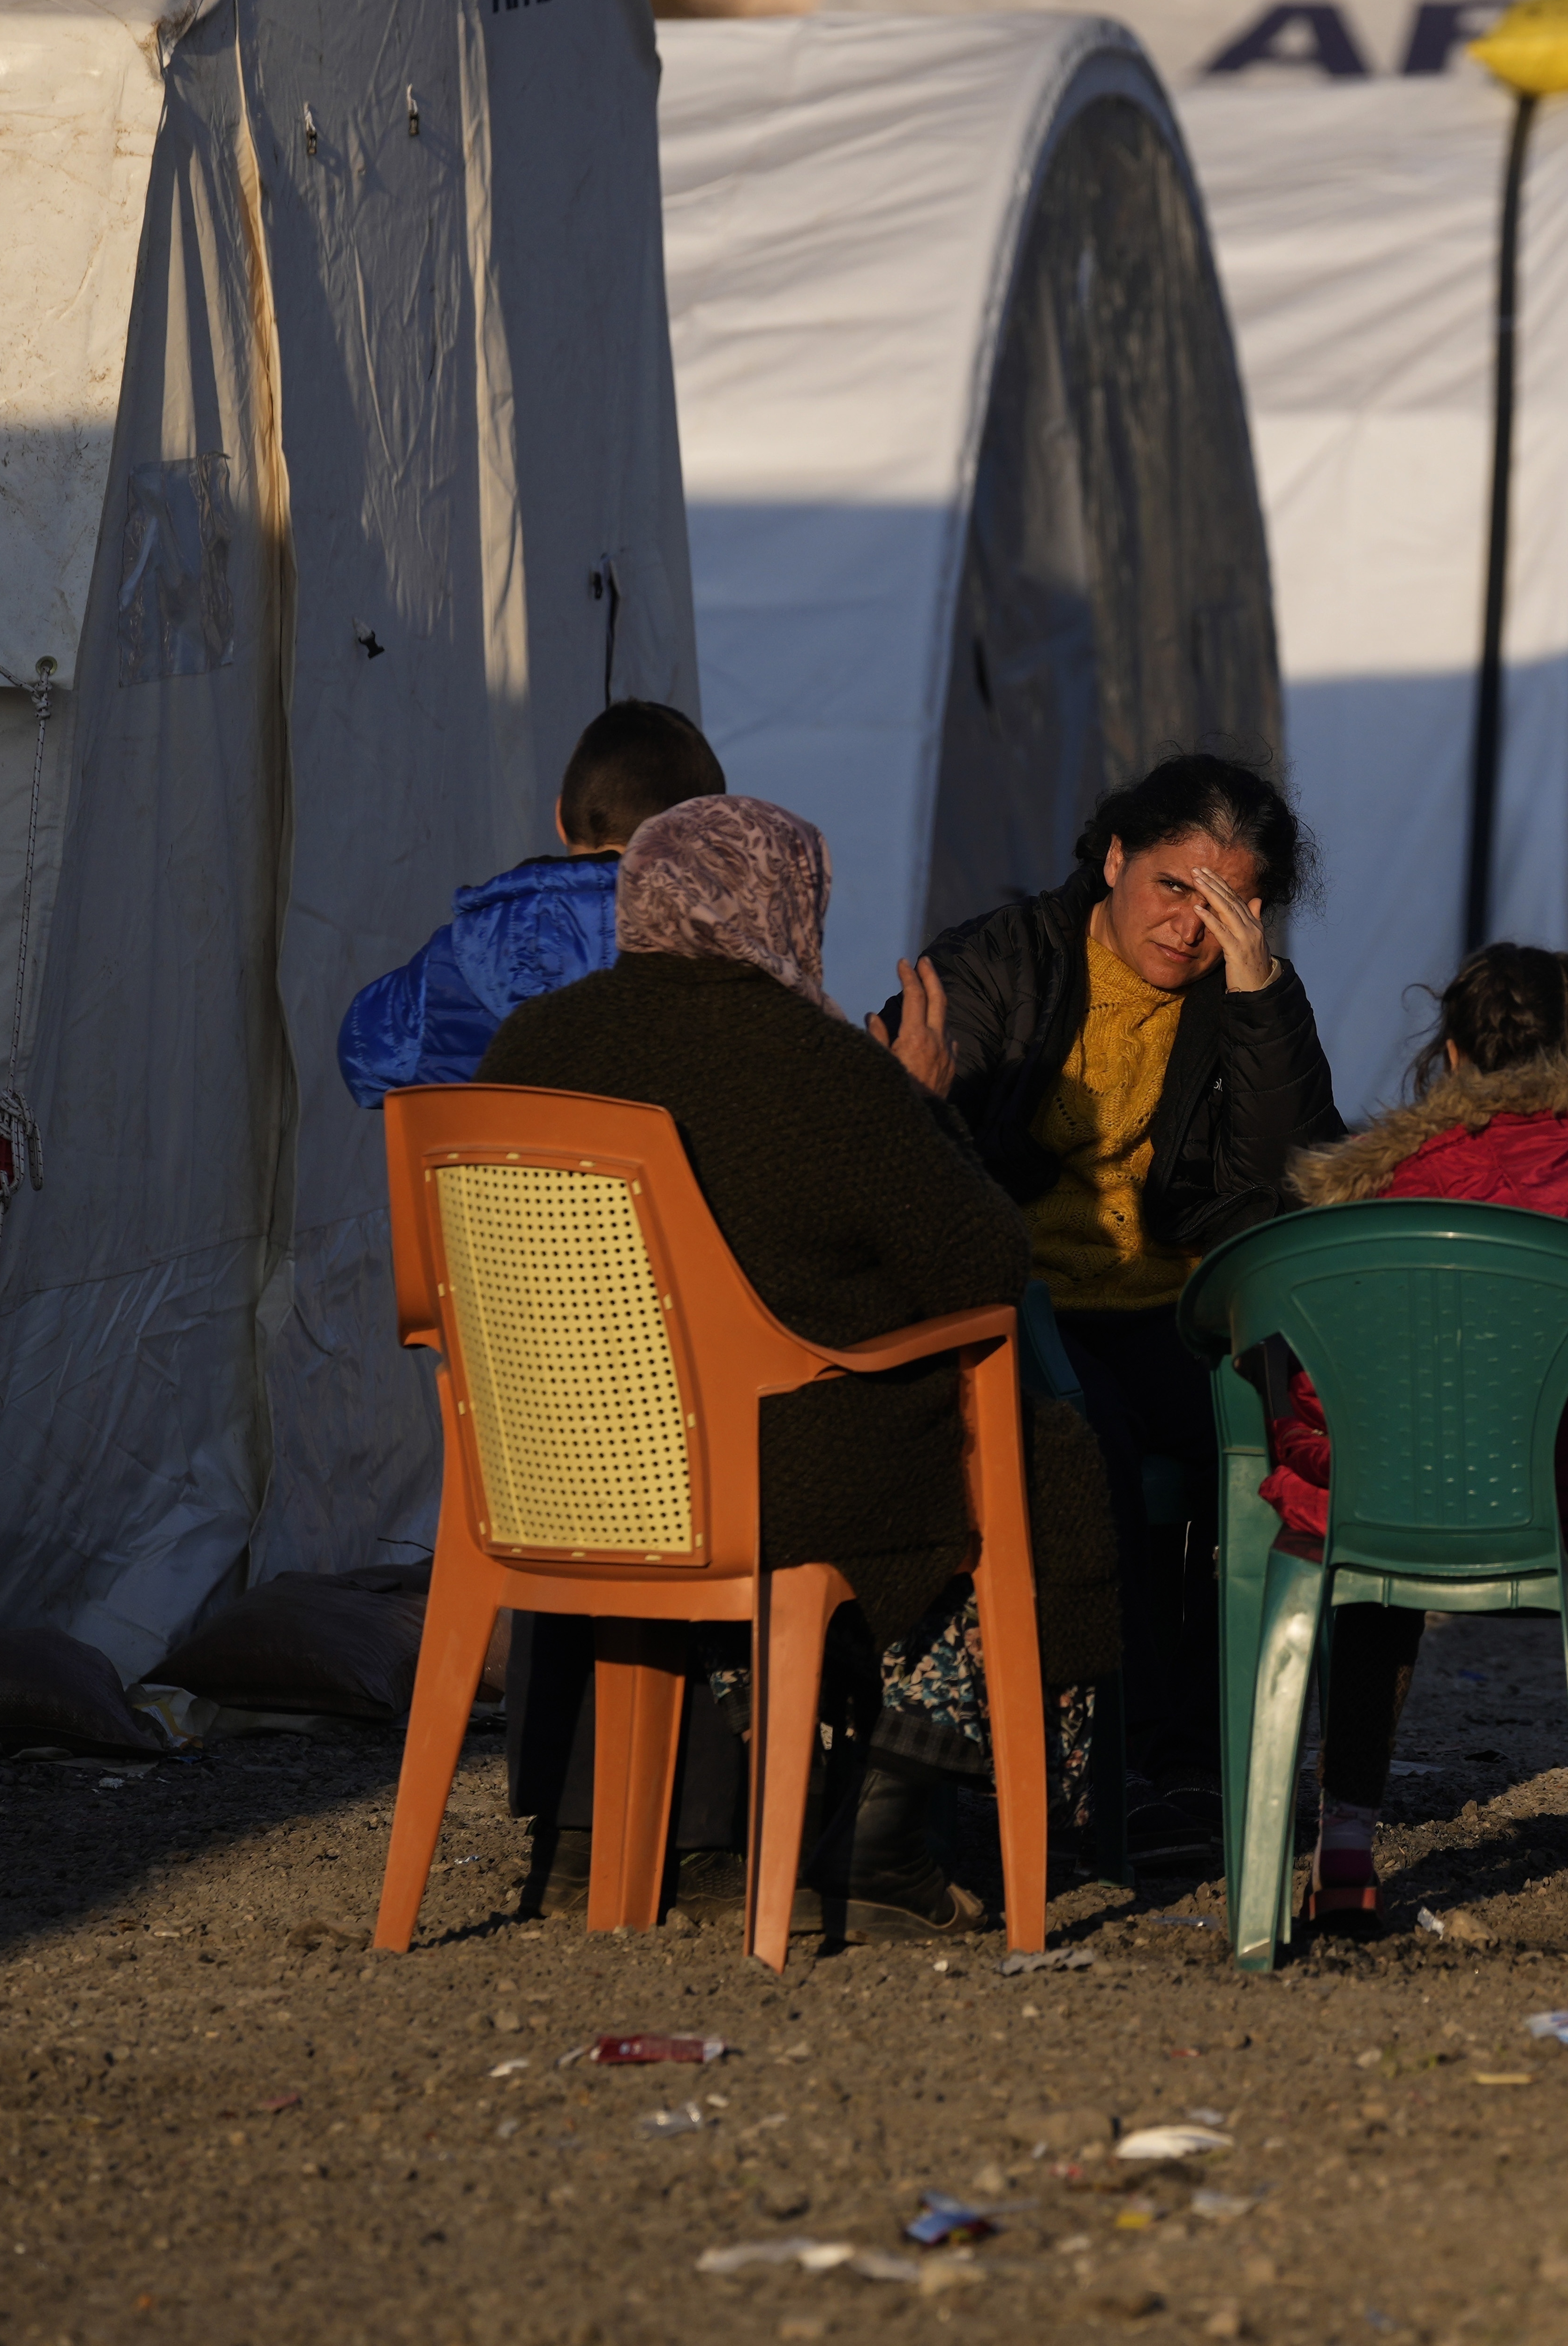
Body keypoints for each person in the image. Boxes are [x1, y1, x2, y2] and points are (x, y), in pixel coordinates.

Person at [477, 797, 1124, 1935]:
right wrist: (919, 1103)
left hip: (552, 1466)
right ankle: (883, 1822)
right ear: (789, 908)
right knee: (1026, 1450)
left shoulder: (529, 1046)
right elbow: (984, 1267)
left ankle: (588, 1841)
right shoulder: (822, 1068)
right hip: (746, 1479)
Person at [874, 755, 1340, 1832]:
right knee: (1097, 1444)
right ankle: (1114, 1758)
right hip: (1027, 1298)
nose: (1189, 924)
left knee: (1274, 1438)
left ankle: (1214, 1760)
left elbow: (1292, 1172)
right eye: (1174, 885)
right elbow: (918, 1118)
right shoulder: (1001, 963)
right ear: (1116, 858)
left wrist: (1259, 1000)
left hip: (1178, 1305)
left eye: (1225, 902)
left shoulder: (1253, 993)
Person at [1254, 943, 1568, 1925]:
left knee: (1376, 1518)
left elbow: (1322, 1387)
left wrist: (1327, 1459)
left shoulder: (1383, 1192)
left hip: (1410, 1504)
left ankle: (1344, 1843)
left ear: (1454, 1056)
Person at [338, 700, 725, 1104]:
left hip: (491, 1147)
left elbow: (361, 1057)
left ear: (560, 818)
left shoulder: (456, 954)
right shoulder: (726, 965)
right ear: (707, 847)